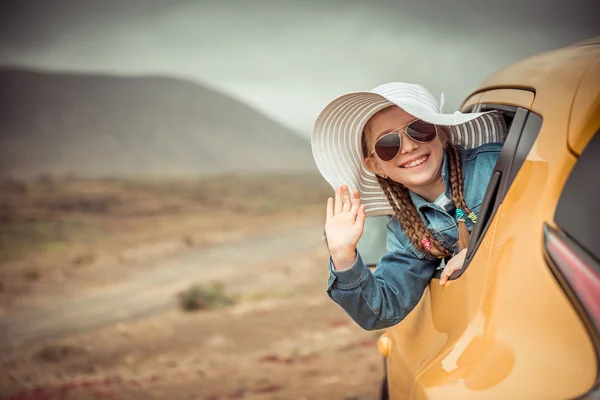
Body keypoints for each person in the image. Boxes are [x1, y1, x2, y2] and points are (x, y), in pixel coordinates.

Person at [311, 82, 506, 330]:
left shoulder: (494, 165)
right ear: (376, 167)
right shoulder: (407, 232)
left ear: (442, 134)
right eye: (388, 144)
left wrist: (483, 252)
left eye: (419, 129)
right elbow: (382, 310)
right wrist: (342, 254)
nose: (409, 146)